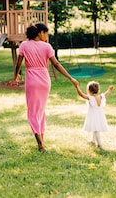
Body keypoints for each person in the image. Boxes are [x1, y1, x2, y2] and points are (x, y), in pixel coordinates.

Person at [14, 23, 78, 152]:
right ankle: (42, 140)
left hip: (32, 81)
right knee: (41, 111)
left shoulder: (24, 45)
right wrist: (70, 77)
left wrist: (16, 76)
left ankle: (40, 144)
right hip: (45, 81)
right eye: (46, 33)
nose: (46, 36)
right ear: (41, 33)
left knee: (32, 112)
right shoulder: (47, 47)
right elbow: (56, 64)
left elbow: (18, 64)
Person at [75, 81, 114, 149]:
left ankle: (100, 144)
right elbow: (106, 93)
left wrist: (77, 87)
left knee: (96, 130)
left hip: (93, 116)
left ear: (89, 90)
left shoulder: (90, 98)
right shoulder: (101, 97)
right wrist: (109, 89)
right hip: (100, 116)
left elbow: (81, 94)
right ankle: (92, 140)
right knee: (95, 127)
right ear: (98, 90)